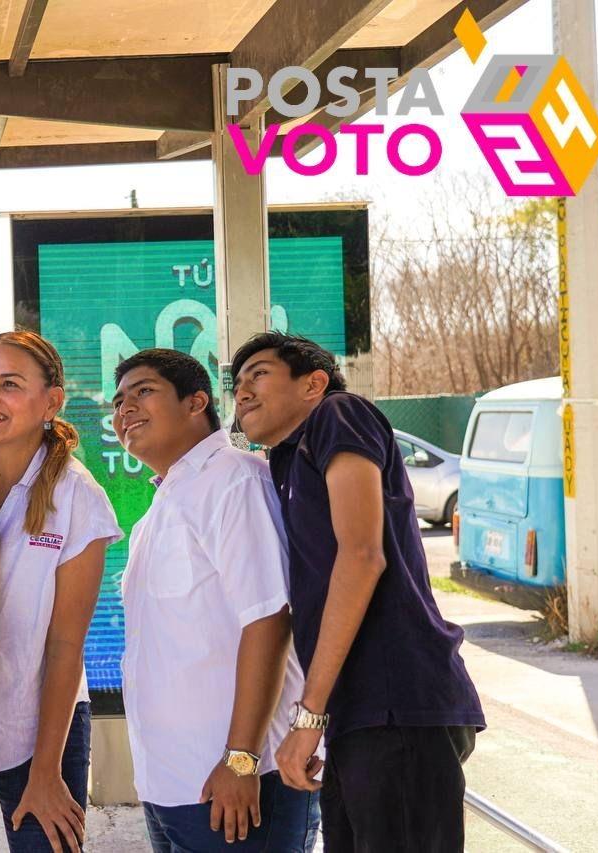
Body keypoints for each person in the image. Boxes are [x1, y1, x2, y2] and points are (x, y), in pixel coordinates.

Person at [230, 332, 485, 852]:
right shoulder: (285, 462)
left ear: (313, 383)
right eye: (236, 385)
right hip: (357, 714)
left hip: (399, 703)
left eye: (258, 374)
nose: (242, 393)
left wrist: (309, 715)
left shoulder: (338, 415)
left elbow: (363, 555)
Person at [111, 349, 318, 853]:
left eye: (143, 392)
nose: (124, 410)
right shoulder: (160, 508)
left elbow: (269, 619)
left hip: (240, 784)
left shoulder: (234, 479)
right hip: (172, 785)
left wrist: (241, 758)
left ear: (196, 402)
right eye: (117, 401)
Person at [0, 331, 122, 853]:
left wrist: (48, 770)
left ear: (51, 402)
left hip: (40, 719)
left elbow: (65, 644)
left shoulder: (78, 497)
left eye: (10, 384)